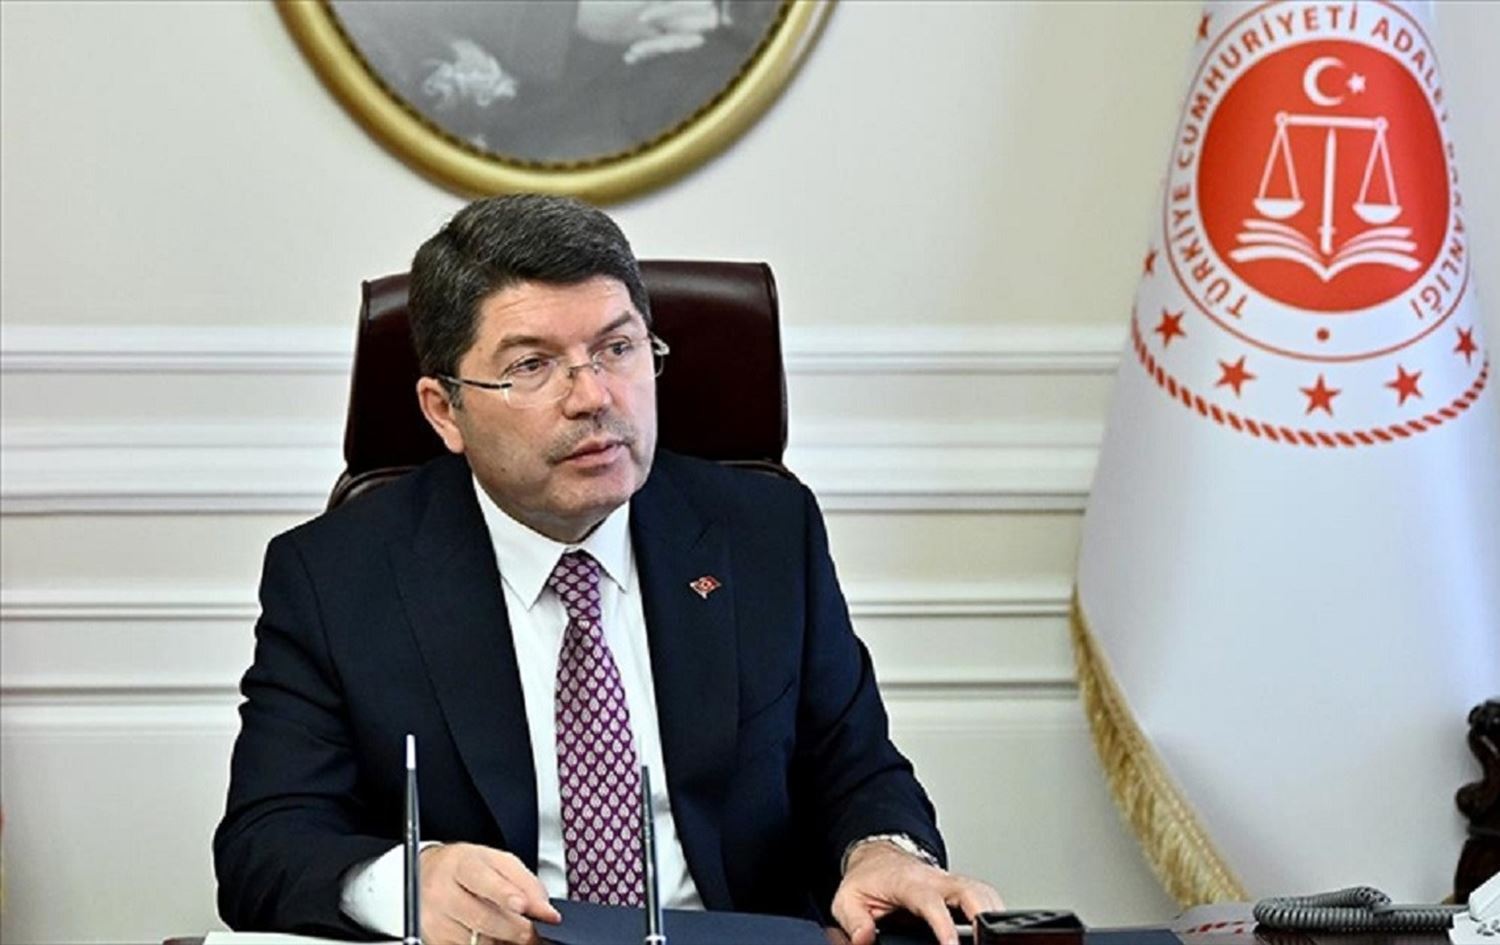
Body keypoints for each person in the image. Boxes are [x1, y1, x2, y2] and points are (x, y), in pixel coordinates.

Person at [213, 194, 1002, 945]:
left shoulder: (764, 534)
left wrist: (883, 852)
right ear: (444, 409)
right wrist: (410, 883)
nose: (593, 395)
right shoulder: (335, 576)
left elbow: (856, 769)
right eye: (532, 365)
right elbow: (265, 842)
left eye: (617, 349)